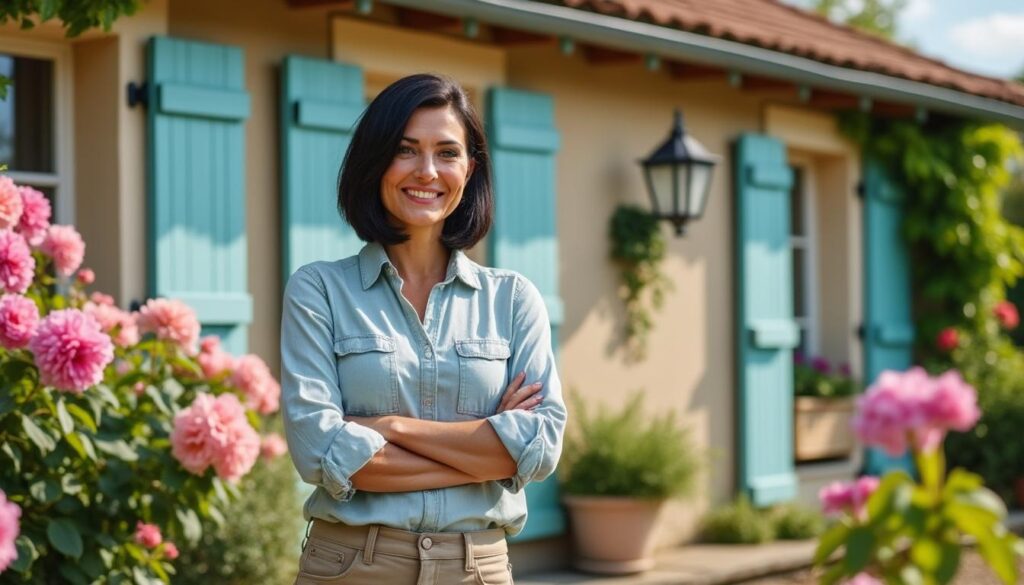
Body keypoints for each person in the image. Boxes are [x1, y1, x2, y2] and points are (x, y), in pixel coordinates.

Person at [280, 73, 566, 585]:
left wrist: (389, 428)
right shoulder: (318, 290)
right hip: (351, 567)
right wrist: (488, 457)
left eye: (447, 153)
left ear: (470, 168)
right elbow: (322, 453)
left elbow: (539, 445)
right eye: (406, 150)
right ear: (375, 162)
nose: (427, 171)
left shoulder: (513, 299)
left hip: (477, 569)